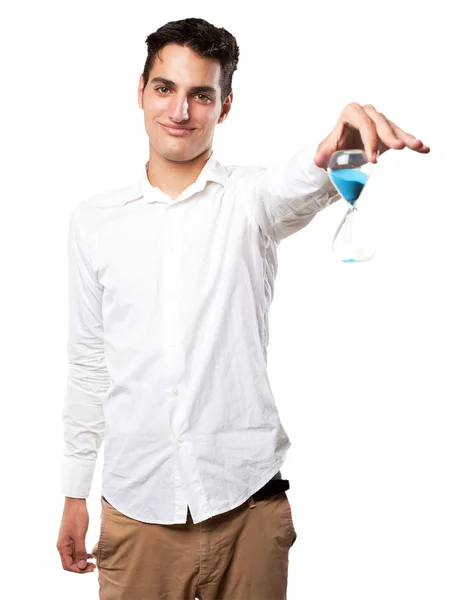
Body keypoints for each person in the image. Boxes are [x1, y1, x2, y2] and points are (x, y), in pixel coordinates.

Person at [55, 16, 430, 599]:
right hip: (138, 510)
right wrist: (74, 492)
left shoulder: (251, 201)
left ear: (224, 107)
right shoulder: (93, 221)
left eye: (201, 95)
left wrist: (337, 149)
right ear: (140, 90)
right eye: (165, 88)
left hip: (247, 509)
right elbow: (87, 363)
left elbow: (298, 182)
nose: (180, 111)